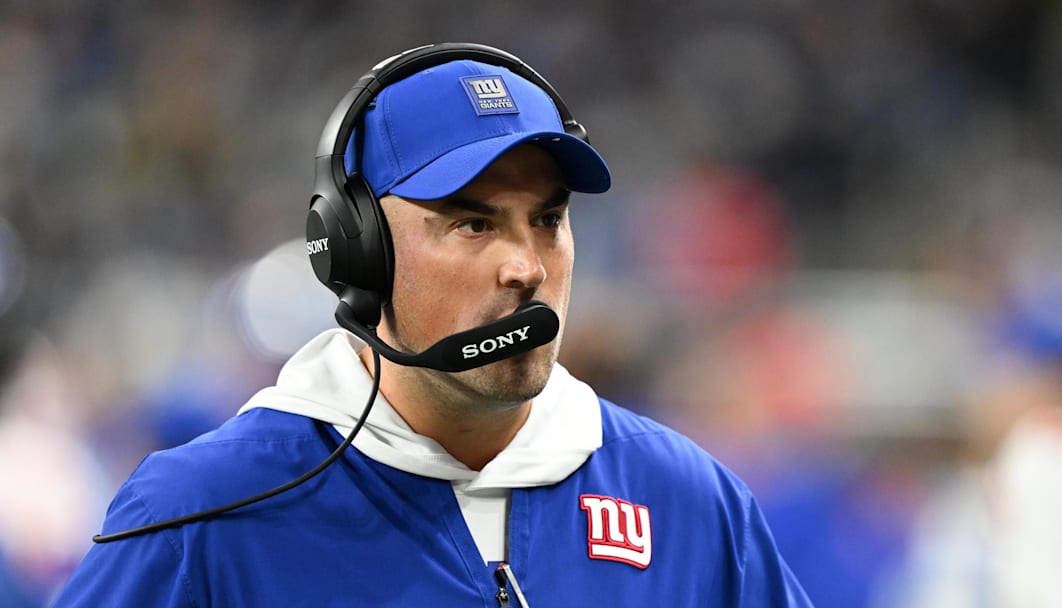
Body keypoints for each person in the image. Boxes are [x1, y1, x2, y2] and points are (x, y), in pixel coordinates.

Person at [53, 43, 813, 606]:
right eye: (472, 225)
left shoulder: (689, 503)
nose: (527, 266)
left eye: (547, 220)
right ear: (357, 253)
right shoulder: (203, 513)